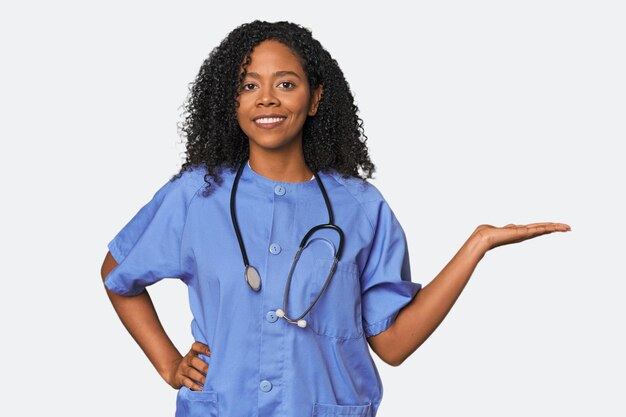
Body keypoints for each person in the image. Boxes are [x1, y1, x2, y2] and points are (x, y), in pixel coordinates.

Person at [100, 20, 571, 417]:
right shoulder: (196, 196)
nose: (267, 98)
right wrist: (167, 363)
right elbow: (117, 273)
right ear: (232, 101)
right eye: (249, 85)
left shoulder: (361, 207)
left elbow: (392, 345)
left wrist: (477, 245)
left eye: (285, 83)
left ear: (316, 98)